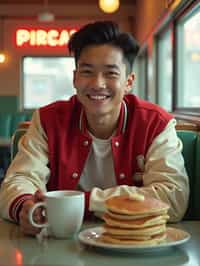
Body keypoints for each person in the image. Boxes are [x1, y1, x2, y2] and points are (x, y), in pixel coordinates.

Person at [0, 21, 189, 236]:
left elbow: (173, 198)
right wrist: (25, 207)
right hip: (59, 244)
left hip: (135, 245)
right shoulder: (47, 120)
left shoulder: (155, 123)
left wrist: (85, 202)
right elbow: (18, 180)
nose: (98, 83)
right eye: (87, 71)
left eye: (110, 73)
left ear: (129, 82)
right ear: (75, 78)